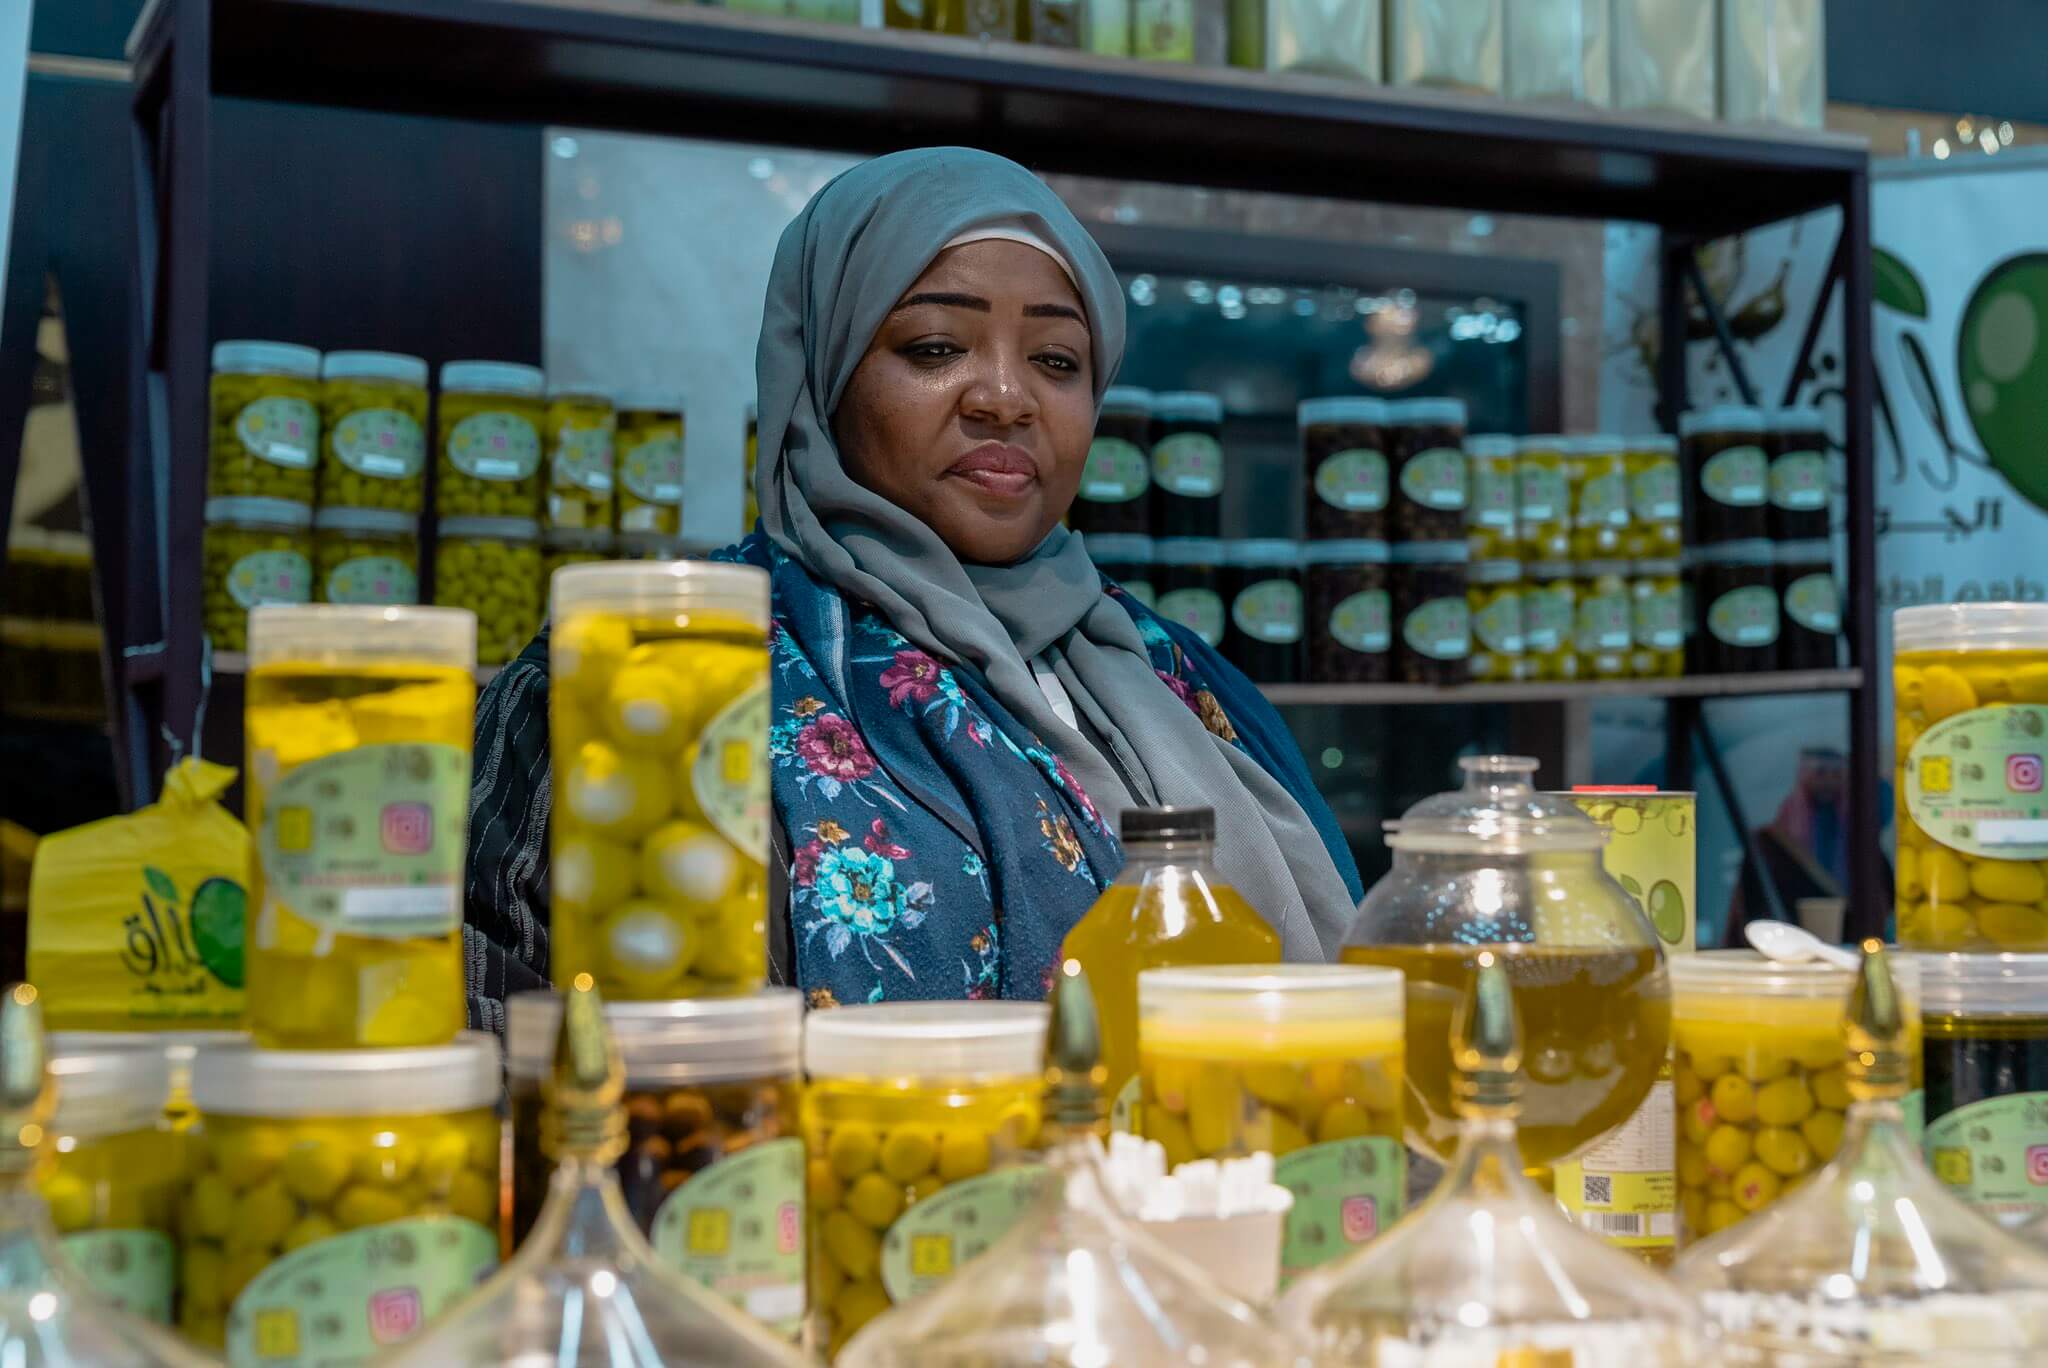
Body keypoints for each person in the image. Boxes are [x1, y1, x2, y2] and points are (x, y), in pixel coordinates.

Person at [463, 147, 1362, 1028]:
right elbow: (511, 1040)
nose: (1006, 398)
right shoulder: (658, 674)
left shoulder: (1184, 678)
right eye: (935, 346)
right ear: (823, 374)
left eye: (1057, 360)